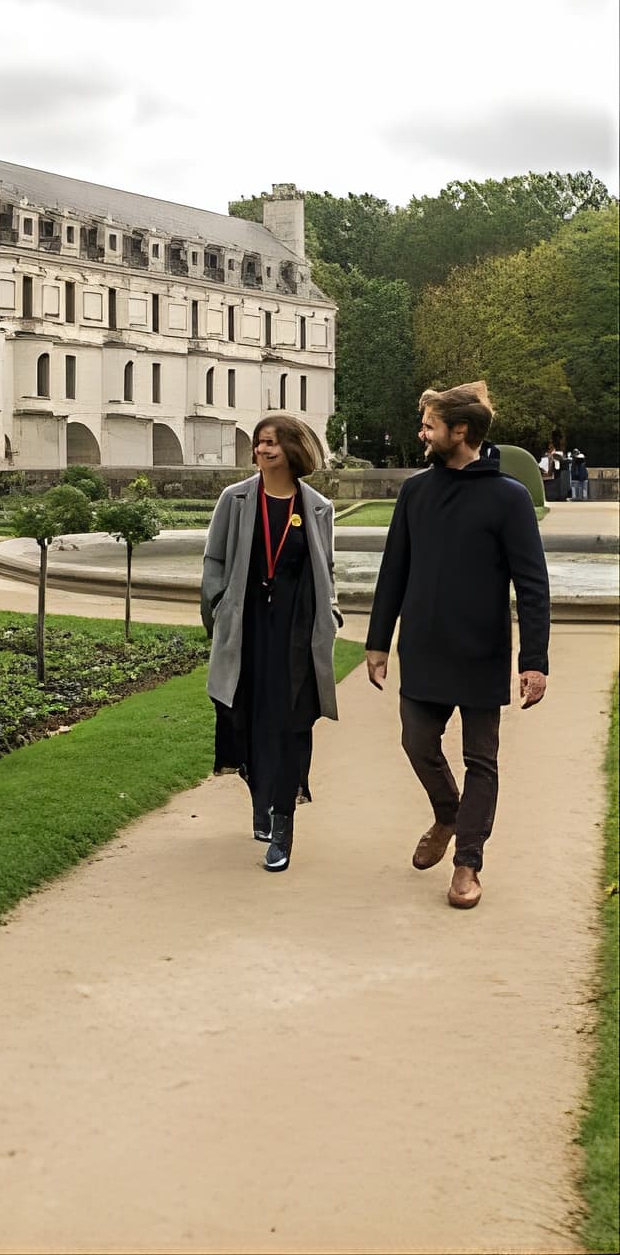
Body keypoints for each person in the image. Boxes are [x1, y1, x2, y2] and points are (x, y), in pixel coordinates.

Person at [365, 382, 550, 910]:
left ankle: (468, 861)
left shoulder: (508, 498)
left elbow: (532, 585)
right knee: (417, 744)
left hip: (481, 650)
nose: (421, 433)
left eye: (429, 425)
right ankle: (449, 814)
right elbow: (393, 570)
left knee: (481, 761)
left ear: (459, 431)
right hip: (422, 646)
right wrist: (378, 642)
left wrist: (533, 661)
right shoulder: (416, 492)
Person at [202, 415, 342, 874]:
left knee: (293, 725)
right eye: (260, 444)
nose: (263, 451)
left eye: (271, 444)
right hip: (248, 629)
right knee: (244, 718)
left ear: (293, 449)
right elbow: (215, 560)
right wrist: (218, 610)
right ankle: (259, 793)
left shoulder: (318, 506)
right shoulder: (236, 499)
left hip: (296, 632)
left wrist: (333, 611)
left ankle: (283, 823)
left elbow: (327, 569)